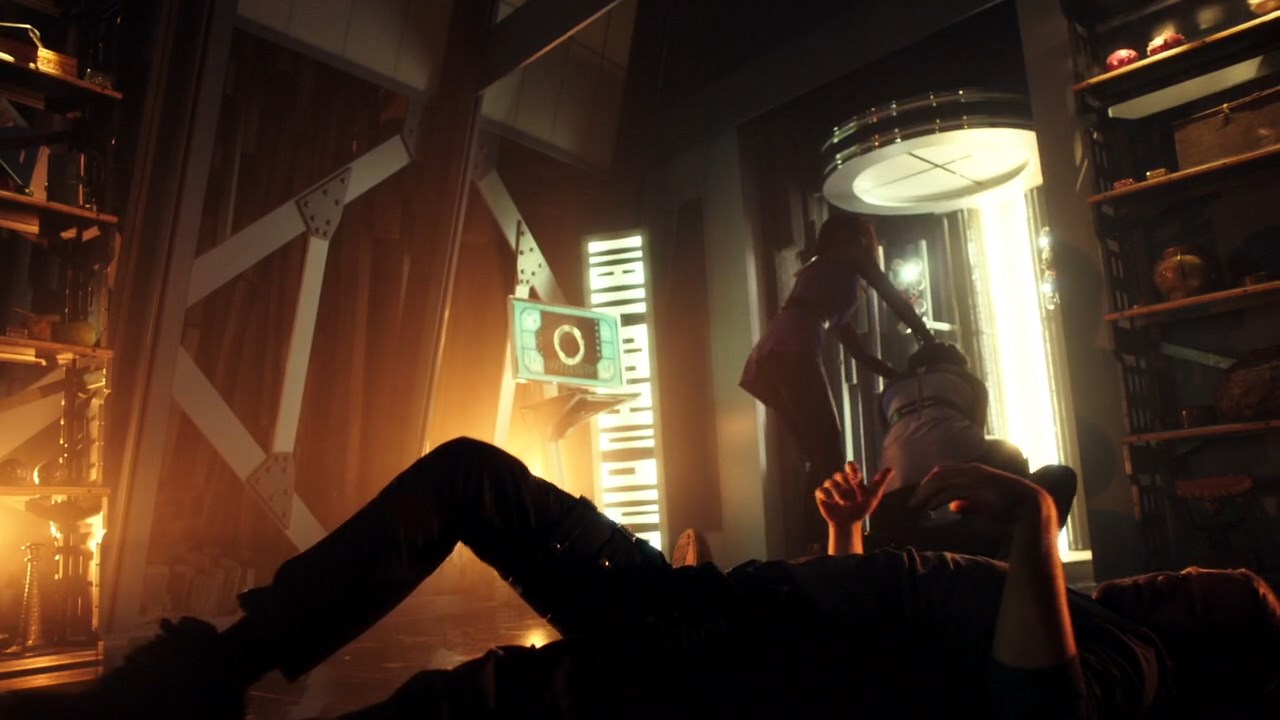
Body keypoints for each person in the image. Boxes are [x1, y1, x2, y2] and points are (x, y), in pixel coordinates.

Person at [5, 438, 1277, 718]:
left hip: (715, 652)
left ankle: (191, 686)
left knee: (470, 698)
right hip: (721, 628)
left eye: (1202, 591)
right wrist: (844, 541)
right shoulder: (1091, 622)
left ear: (1205, 642)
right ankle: (200, 677)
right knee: (468, 493)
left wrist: (1034, 528)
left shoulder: (1124, 661)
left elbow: (1035, 716)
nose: (1176, 578)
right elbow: (889, 648)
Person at [740, 210, 933, 551]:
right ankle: (816, 542)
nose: (867, 245)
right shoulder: (850, 260)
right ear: (852, 239)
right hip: (791, 348)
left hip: (780, 351)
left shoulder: (827, 282)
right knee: (827, 449)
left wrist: (896, 375)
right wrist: (925, 336)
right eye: (864, 239)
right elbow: (890, 294)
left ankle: (811, 543)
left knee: (821, 453)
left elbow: (859, 352)